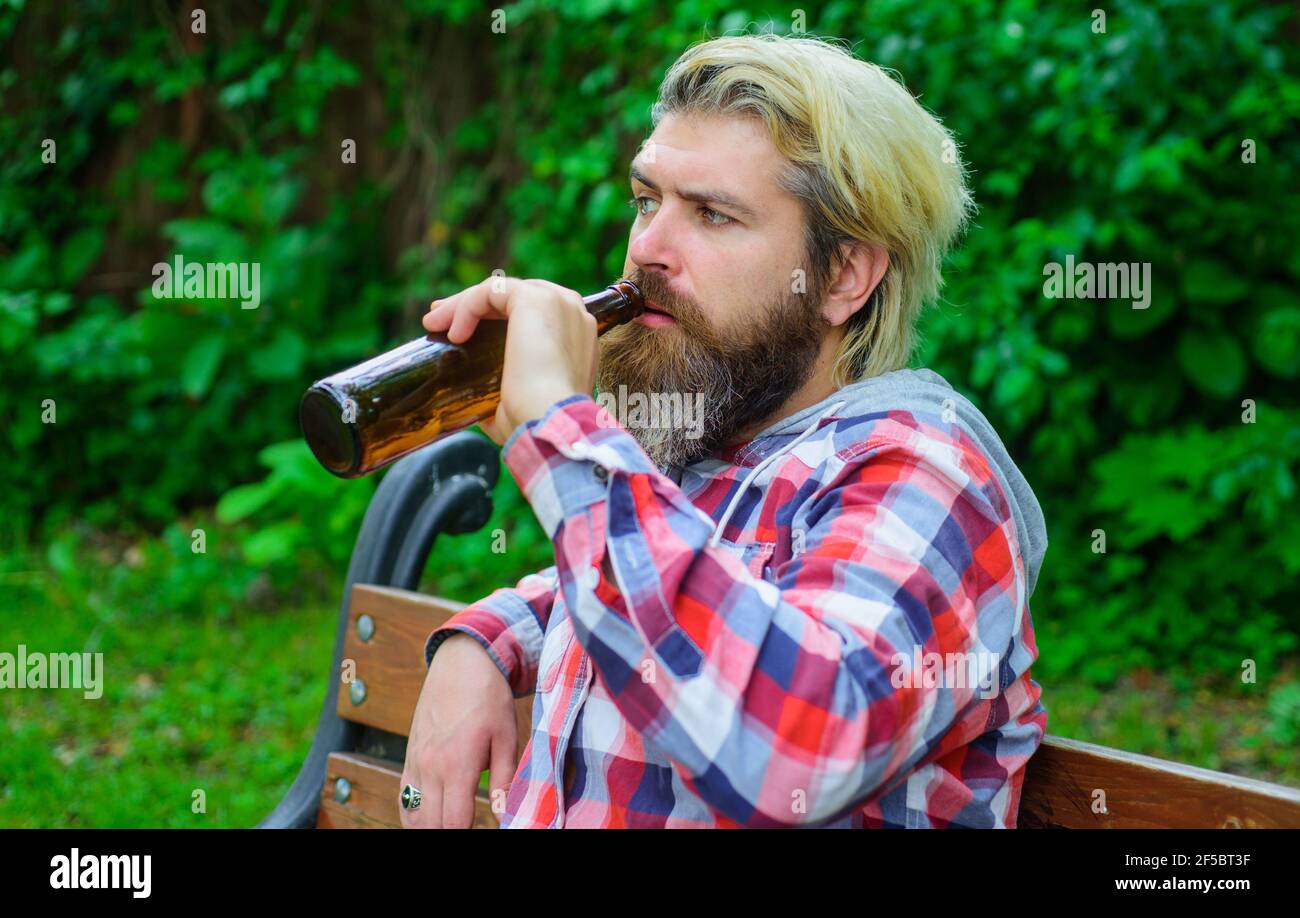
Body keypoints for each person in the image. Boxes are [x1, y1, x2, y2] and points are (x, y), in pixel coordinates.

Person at [399, 32, 1048, 829]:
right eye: (647, 201)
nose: (647, 249)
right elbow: (695, 575)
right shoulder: (716, 443)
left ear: (843, 275)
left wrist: (558, 430)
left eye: (712, 214)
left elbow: (796, 745)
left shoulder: (926, 477)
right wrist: (486, 642)